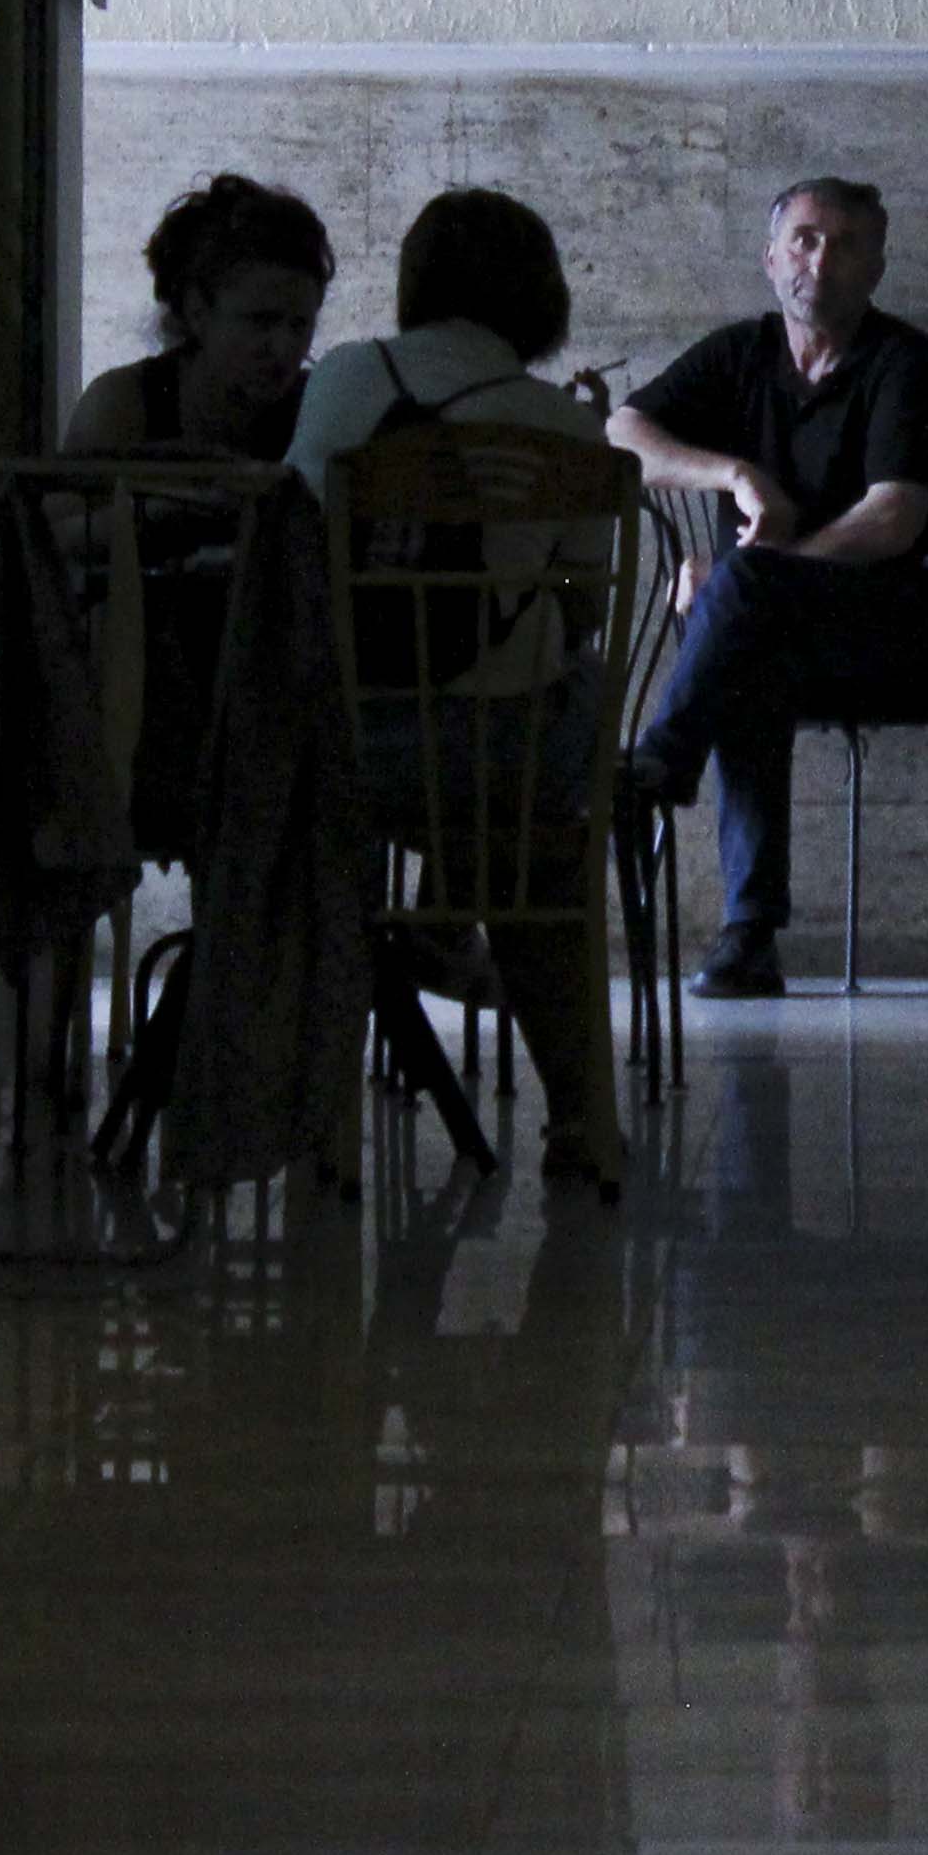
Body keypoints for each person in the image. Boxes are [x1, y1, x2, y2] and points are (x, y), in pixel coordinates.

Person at [285, 187, 627, 1188]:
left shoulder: (345, 380)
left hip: (344, 746)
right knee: (555, 762)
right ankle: (580, 1127)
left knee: (462, 775)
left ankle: (327, 1137)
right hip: (495, 763)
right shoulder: (560, 429)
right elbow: (579, 603)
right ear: (541, 297)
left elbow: (301, 552)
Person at [607, 177, 928, 999]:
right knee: (746, 661)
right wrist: (733, 473)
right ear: (772, 260)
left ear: (876, 268)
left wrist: (753, 575)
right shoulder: (742, 353)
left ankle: (659, 767)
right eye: (804, 239)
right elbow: (620, 434)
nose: (822, 259)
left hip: (898, 634)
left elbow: (896, 517)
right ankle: (749, 939)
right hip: (778, 636)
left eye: (846, 245)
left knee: (745, 608)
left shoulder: (905, 361)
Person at [65, 172, 333, 460]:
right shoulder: (120, 412)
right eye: (261, 322)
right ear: (197, 312)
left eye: (300, 325)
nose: (283, 348)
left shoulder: (322, 415)